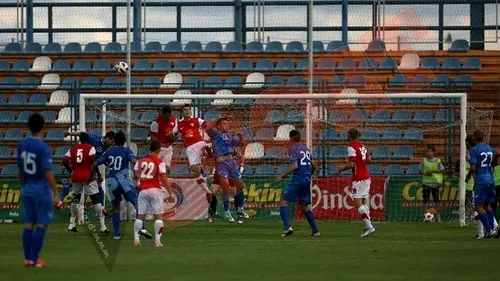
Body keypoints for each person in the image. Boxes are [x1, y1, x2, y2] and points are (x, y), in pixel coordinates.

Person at [17, 113, 59, 268]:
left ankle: (28, 258)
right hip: (41, 190)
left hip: (27, 189)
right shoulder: (43, 147)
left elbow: (20, 171)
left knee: (28, 223)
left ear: (28, 127)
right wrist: (55, 191)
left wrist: (23, 186)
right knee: (41, 224)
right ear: (43, 127)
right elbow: (47, 172)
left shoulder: (22, 145)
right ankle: (35, 259)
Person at [94, 131, 152, 240]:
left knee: (116, 207)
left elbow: (95, 163)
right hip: (124, 181)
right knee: (137, 204)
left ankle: (116, 234)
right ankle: (142, 228)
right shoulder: (126, 151)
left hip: (112, 182)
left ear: (114, 140)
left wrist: (94, 175)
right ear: (124, 141)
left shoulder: (108, 152)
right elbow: (134, 161)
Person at [274, 130, 320, 237]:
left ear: (290, 138)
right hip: (307, 180)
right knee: (305, 206)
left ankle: (287, 228)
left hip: (298, 179)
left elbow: (295, 166)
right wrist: (309, 175)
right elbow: (314, 166)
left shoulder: (293, 149)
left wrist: (281, 176)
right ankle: (315, 231)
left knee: (283, 202)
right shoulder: (306, 149)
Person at [62, 132, 109, 233]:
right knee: (95, 200)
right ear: (88, 140)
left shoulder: (73, 149)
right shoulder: (91, 148)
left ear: (80, 140)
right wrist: (97, 175)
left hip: (76, 176)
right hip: (88, 176)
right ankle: (102, 226)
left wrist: (71, 171)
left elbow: (64, 160)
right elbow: (93, 162)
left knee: (76, 199)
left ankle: (71, 224)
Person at [205, 117, 247, 224]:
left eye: (227, 124)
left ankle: (240, 209)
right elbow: (207, 128)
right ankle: (226, 211)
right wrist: (218, 118)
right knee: (225, 186)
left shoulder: (229, 135)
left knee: (240, 187)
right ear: (218, 126)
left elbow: (241, 144)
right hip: (221, 163)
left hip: (232, 162)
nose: (227, 126)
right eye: (224, 124)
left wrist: (241, 136)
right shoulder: (215, 134)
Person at [133, 140, 175, 247]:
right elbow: (164, 178)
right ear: (159, 150)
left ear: (149, 149)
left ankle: (137, 241)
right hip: (155, 190)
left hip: (143, 190)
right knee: (158, 217)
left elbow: (135, 176)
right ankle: (157, 242)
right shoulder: (159, 162)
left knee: (140, 216)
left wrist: (137, 186)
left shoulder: (140, 161)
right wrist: (170, 192)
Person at [335, 128, 375, 237]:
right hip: (366, 176)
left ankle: (369, 226)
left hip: (359, 178)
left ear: (350, 136)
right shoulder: (363, 146)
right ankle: (367, 226)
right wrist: (361, 162)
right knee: (363, 201)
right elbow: (369, 160)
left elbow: (352, 164)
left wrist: (340, 169)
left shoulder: (351, 147)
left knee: (357, 203)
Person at [64, 130, 115, 209]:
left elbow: (101, 157)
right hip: (83, 164)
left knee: (97, 186)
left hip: (91, 166)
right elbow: (81, 134)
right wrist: (70, 133)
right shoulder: (93, 137)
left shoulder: (107, 146)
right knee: (73, 185)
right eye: (112, 141)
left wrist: (105, 162)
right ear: (108, 138)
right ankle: (99, 209)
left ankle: (100, 208)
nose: (113, 143)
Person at [171, 104, 211, 198]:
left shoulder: (197, 120)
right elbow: (173, 134)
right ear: (182, 112)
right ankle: (207, 191)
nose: (187, 111)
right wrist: (172, 135)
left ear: (191, 112)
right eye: (185, 110)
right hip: (190, 149)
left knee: (207, 148)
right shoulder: (179, 124)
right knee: (196, 172)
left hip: (200, 143)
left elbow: (208, 126)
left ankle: (207, 154)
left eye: (189, 110)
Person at [466, 130, 497, 238]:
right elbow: (494, 161)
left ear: (474, 139)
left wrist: (468, 175)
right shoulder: (490, 149)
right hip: (491, 179)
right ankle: (493, 228)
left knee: (478, 206)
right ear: (483, 138)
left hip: (481, 180)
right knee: (487, 205)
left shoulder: (474, 150)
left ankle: (488, 230)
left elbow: (473, 167)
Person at [418, 145, 445, 222]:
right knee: (425, 200)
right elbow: (420, 171)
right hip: (426, 182)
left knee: (436, 200)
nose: (428, 153)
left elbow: (442, 170)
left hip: (435, 183)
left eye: (430, 151)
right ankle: (425, 216)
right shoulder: (423, 160)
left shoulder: (438, 161)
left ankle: (438, 217)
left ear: (433, 152)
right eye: (427, 151)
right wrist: (425, 173)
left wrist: (433, 171)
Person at [150, 105, 177, 171]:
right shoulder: (155, 123)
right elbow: (153, 139)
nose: (168, 117)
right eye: (167, 116)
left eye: (170, 115)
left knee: (166, 168)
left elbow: (176, 133)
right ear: (162, 114)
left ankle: (163, 180)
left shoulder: (174, 120)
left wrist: (173, 136)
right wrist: (161, 144)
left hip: (168, 148)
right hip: (158, 149)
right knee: (154, 167)